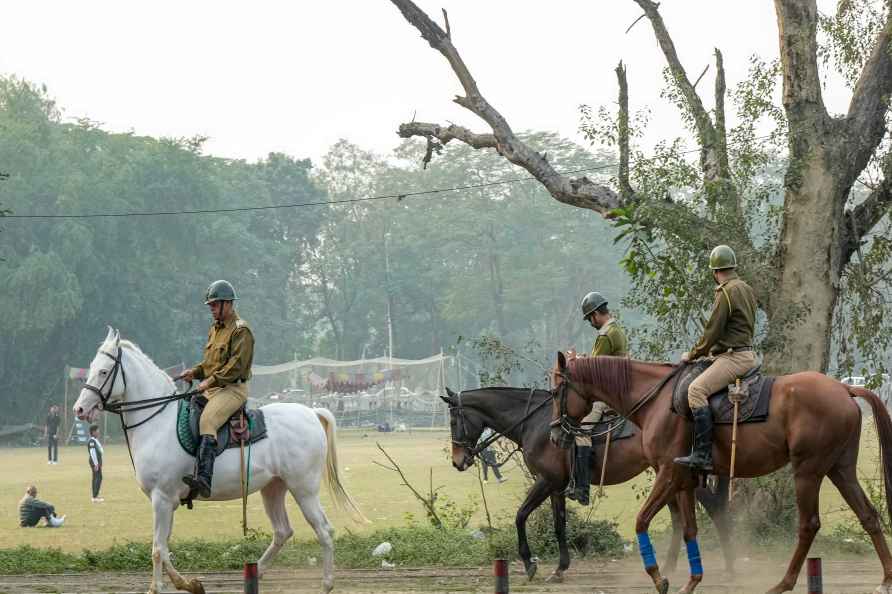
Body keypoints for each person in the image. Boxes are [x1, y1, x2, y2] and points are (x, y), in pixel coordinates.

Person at [674, 245, 758, 473]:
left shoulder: (726, 292)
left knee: (695, 390)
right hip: (747, 353)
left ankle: (702, 455)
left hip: (733, 358)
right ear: (733, 267)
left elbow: (711, 331)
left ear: (715, 271)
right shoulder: (746, 288)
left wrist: (692, 355)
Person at [177, 280, 254, 498]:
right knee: (188, 410)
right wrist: (195, 372)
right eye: (210, 305)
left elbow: (235, 367)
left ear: (227, 304)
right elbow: (210, 364)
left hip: (233, 389)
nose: (211, 308)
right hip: (213, 388)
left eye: (214, 304)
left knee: (208, 420)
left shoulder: (241, 331)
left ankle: (204, 479)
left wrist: (209, 382)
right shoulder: (215, 329)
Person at [566, 291, 630, 505]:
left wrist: (574, 362)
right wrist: (582, 359)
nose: (591, 323)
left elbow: (593, 370)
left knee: (581, 431)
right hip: (617, 388)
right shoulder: (615, 330)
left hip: (606, 395)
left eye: (590, 319)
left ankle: (582, 489)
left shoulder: (604, 335)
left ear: (595, 314)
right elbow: (598, 361)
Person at [87, 424, 104, 502]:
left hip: (97, 462)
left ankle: (95, 496)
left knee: (96, 477)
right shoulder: (91, 441)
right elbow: (92, 452)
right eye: (97, 430)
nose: (98, 432)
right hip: (95, 462)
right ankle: (95, 497)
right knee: (98, 477)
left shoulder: (94, 440)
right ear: (93, 432)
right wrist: (96, 464)